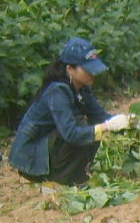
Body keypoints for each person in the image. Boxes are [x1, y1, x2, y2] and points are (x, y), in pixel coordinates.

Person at [8, 37, 130, 185]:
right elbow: (71, 134)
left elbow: (100, 117)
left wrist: (125, 121)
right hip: (32, 160)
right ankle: (63, 178)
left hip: (48, 148)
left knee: (92, 126)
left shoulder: (81, 88)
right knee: (84, 126)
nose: (93, 74)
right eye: (87, 69)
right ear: (70, 69)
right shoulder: (57, 91)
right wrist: (107, 127)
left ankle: (76, 173)